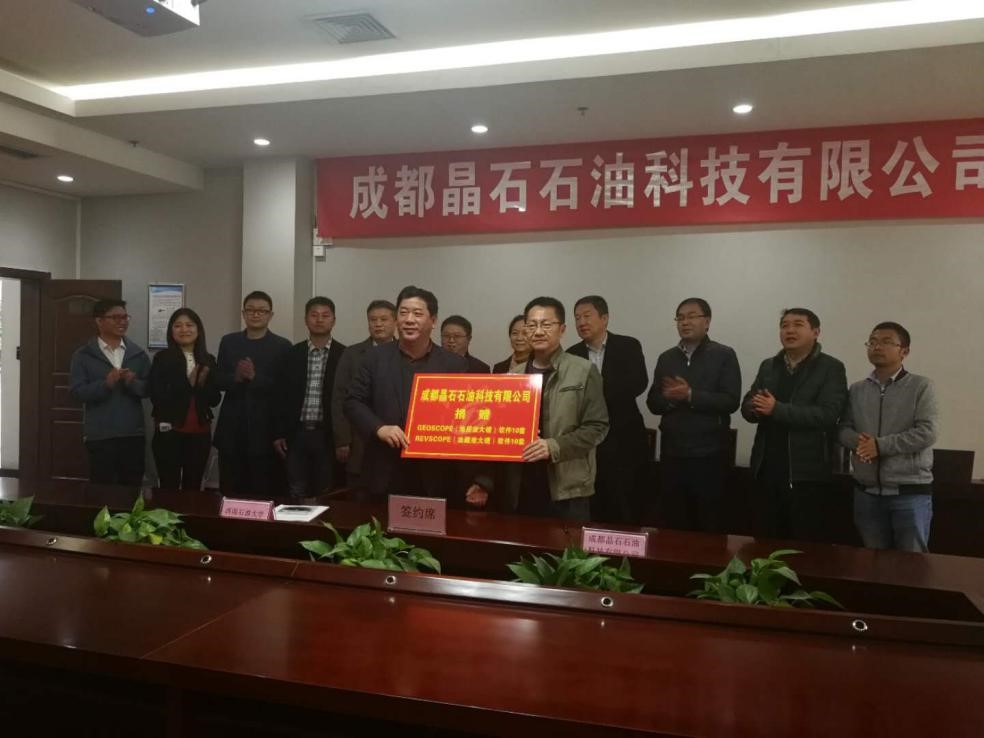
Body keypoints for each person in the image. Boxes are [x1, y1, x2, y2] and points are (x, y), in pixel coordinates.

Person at [345, 286, 490, 505]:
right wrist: (379, 428)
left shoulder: (454, 364)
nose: (409, 320)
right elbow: (353, 401)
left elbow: (469, 416)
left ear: (433, 321)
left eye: (417, 313)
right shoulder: (374, 358)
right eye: (403, 313)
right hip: (385, 468)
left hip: (436, 473)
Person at [741, 308, 847, 542]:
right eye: (784, 325)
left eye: (798, 325)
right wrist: (753, 408)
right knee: (764, 541)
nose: (789, 330)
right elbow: (748, 403)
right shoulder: (769, 366)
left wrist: (776, 409)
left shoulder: (831, 367)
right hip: (766, 469)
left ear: (815, 332)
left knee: (803, 545)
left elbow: (828, 415)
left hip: (806, 473)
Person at [502, 296, 609, 521]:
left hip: (567, 486)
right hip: (521, 485)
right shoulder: (514, 376)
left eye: (546, 324)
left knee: (566, 545)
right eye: (532, 325)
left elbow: (597, 427)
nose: (538, 331)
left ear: (562, 329)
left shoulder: (583, 370)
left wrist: (553, 447)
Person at [838, 322, 938, 552]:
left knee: (911, 563)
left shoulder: (921, 386)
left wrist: (880, 446)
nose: (877, 347)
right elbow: (842, 429)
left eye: (886, 342)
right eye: (872, 342)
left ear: (904, 351)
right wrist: (862, 444)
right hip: (866, 492)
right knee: (872, 562)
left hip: (909, 492)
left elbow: (927, 431)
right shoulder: (857, 389)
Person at [646, 298, 741, 533]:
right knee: (673, 522)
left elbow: (730, 401)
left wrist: (690, 395)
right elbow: (653, 402)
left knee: (709, 522)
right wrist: (671, 398)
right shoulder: (667, 357)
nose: (685, 322)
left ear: (707, 322)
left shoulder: (724, 355)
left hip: (710, 453)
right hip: (672, 451)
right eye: (680, 318)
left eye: (691, 316)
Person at [567, 295, 648, 524]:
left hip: (623, 436)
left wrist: (594, 395)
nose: (581, 322)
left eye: (587, 316)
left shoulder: (628, 346)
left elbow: (638, 382)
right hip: (586, 441)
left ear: (604, 318)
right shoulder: (571, 354)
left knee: (625, 503)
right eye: (577, 318)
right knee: (593, 505)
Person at [213, 291, 292, 498]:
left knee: (263, 492)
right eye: (251, 310)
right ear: (243, 313)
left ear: (270, 315)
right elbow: (217, 380)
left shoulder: (282, 346)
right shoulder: (229, 342)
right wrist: (236, 378)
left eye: (261, 311)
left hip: (266, 431)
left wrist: (255, 377)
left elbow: (285, 390)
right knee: (230, 492)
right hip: (232, 430)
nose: (256, 314)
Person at [69, 299, 151, 485]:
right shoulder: (83, 356)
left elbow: (149, 390)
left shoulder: (138, 354)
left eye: (125, 317)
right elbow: (77, 392)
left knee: (131, 487)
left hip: (132, 434)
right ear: (99, 321)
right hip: (100, 434)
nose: (122, 322)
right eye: (115, 317)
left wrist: (132, 383)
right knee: (102, 488)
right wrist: (106, 384)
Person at [274, 297, 346, 499]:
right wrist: (278, 433)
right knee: (295, 490)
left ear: (333, 320)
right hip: (296, 433)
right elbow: (280, 396)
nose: (319, 320)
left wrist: (344, 440)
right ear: (306, 319)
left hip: (328, 434)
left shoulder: (345, 354)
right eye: (314, 315)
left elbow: (348, 401)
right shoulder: (291, 353)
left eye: (325, 315)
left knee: (327, 491)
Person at [148, 308, 220, 491]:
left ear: (198, 329)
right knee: (168, 485)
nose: (184, 329)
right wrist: (187, 384)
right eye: (178, 326)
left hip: (200, 431)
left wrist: (201, 385)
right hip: (169, 431)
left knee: (193, 486)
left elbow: (214, 399)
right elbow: (156, 396)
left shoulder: (208, 360)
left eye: (189, 325)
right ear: (171, 331)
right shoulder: (162, 358)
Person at [331, 299, 397, 491]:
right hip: (359, 439)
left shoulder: (406, 353)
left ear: (395, 322)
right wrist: (342, 440)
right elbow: (339, 397)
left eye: (383, 319)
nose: (378, 324)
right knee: (359, 494)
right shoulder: (352, 354)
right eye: (373, 320)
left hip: (396, 440)